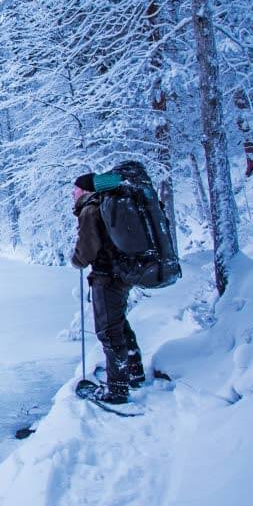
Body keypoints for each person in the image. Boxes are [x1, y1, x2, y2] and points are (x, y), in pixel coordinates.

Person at [71, 169, 146, 404]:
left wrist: (76, 260)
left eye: (75, 189)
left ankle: (117, 390)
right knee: (119, 325)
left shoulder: (90, 209)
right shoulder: (107, 204)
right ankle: (134, 372)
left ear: (84, 190)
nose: (73, 194)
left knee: (109, 332)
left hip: (106, 277)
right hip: (124, 273)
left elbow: (87, 249)